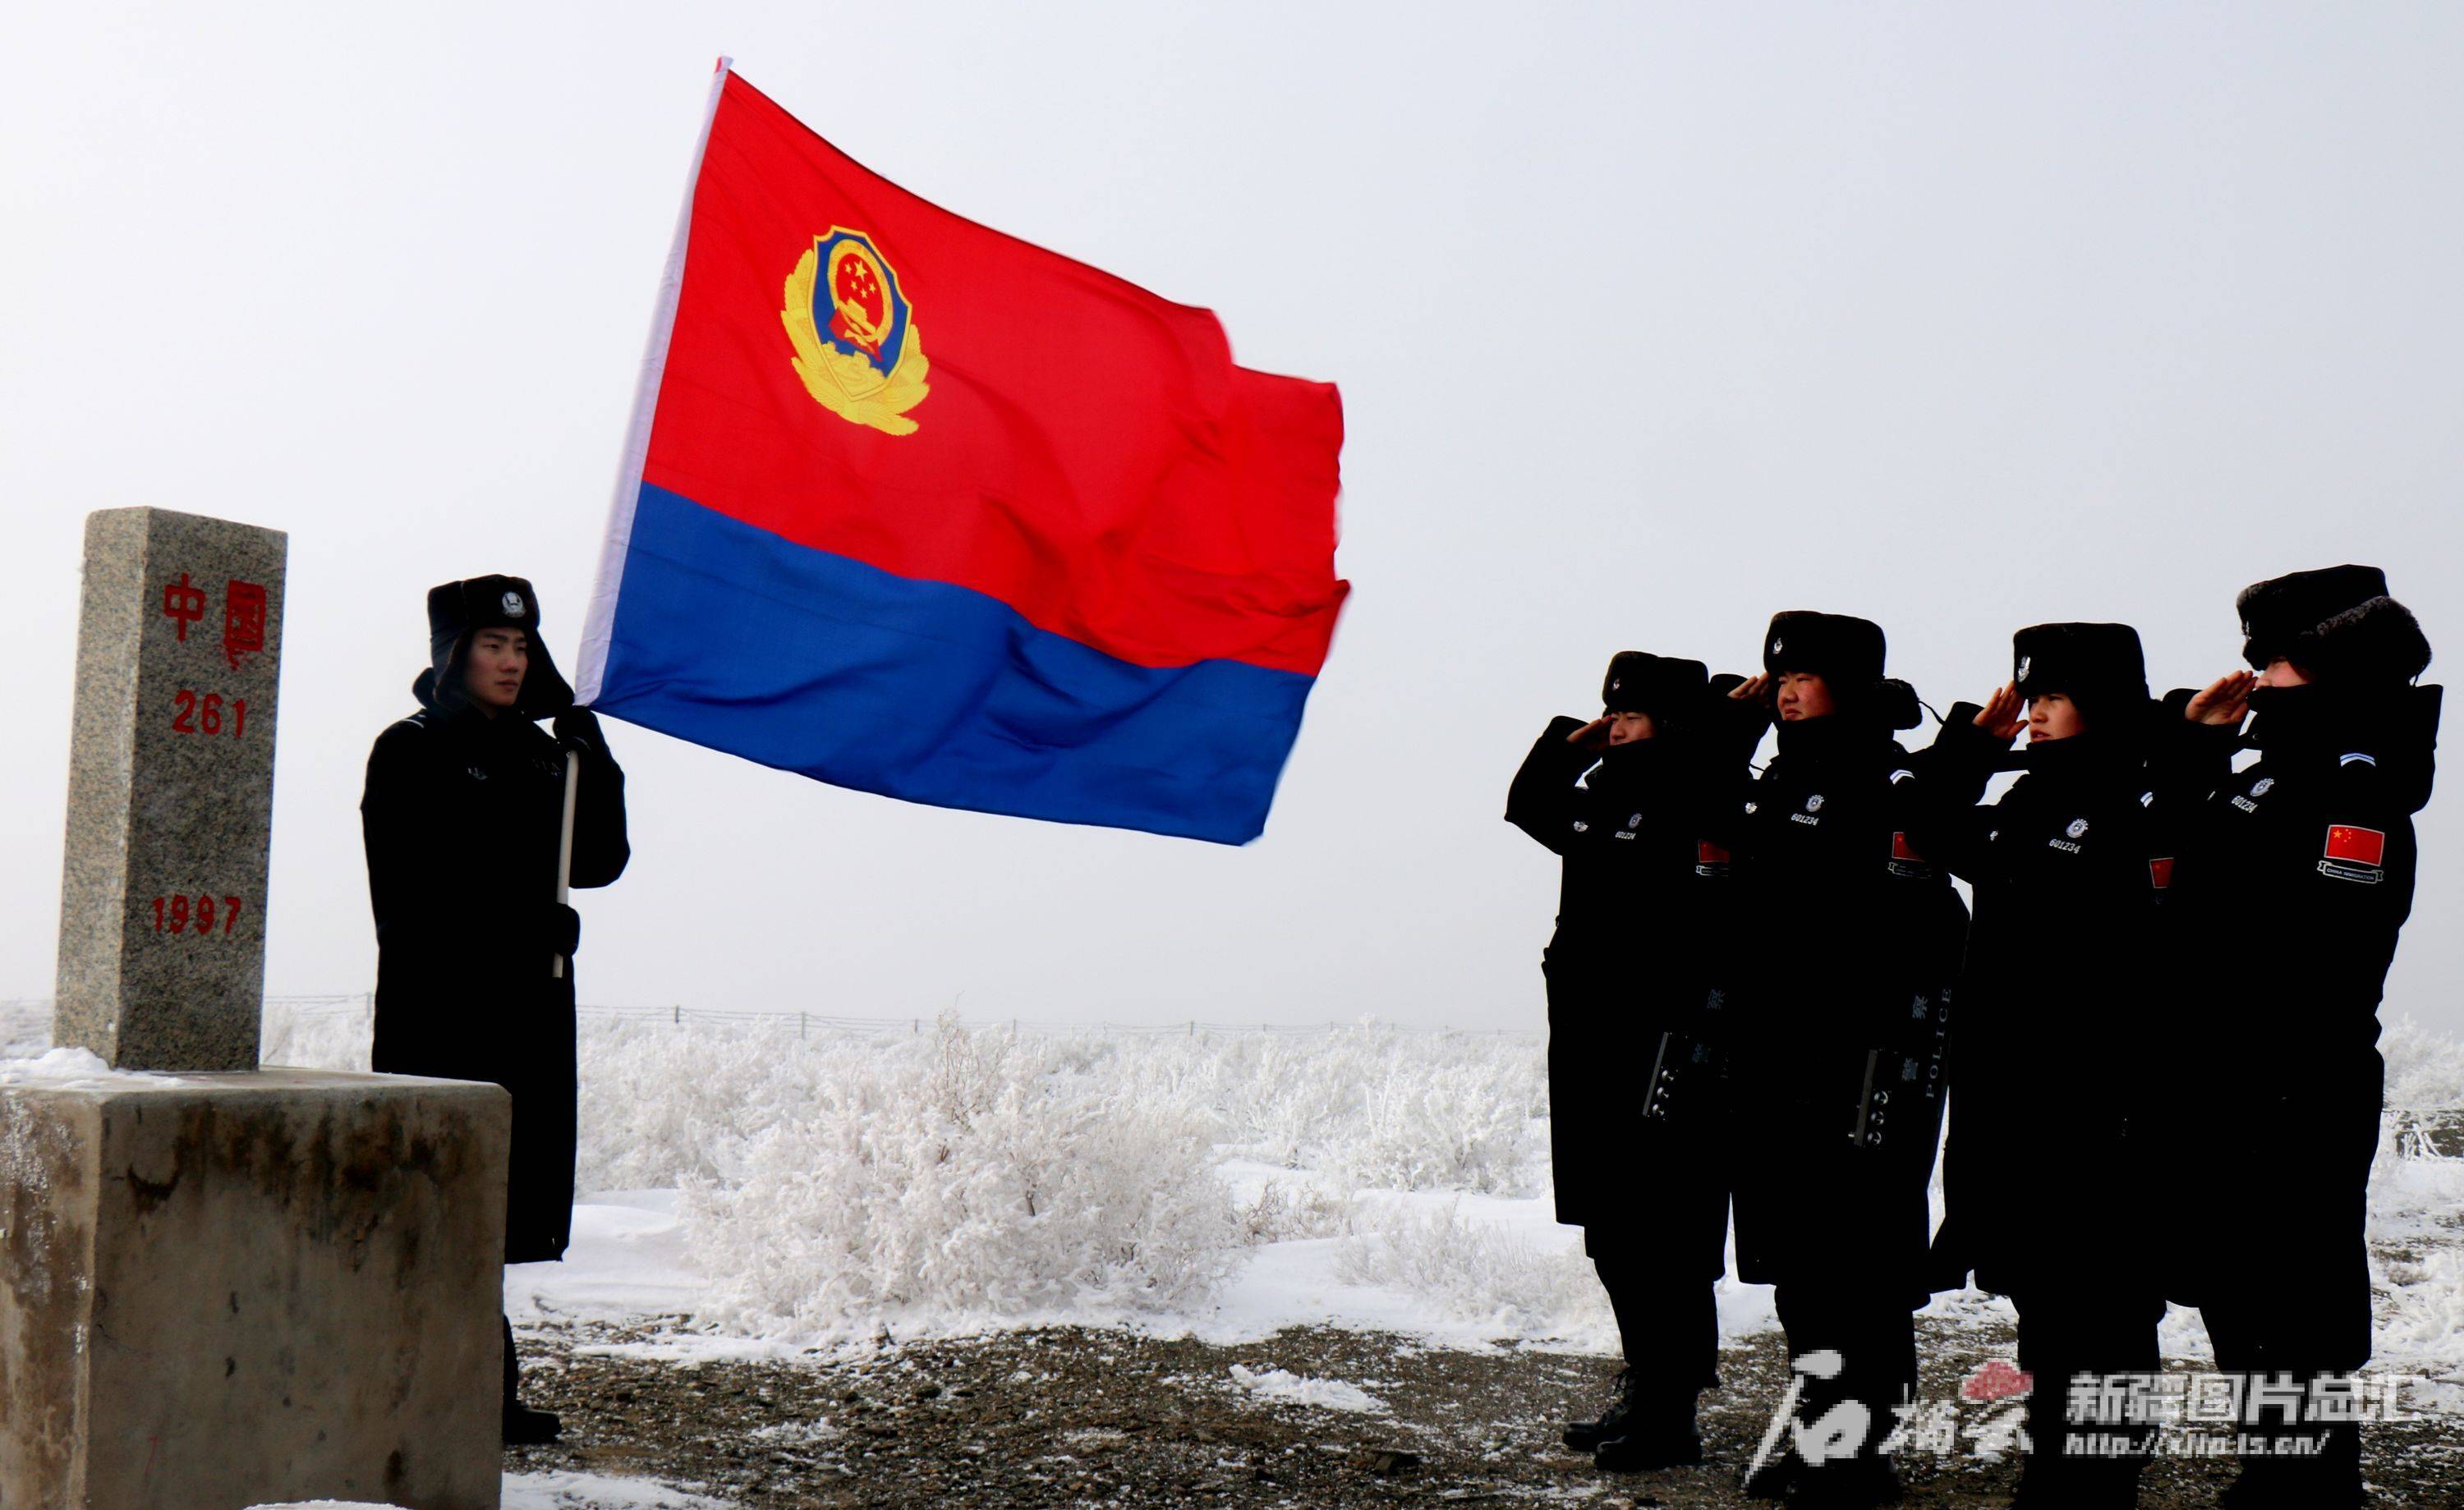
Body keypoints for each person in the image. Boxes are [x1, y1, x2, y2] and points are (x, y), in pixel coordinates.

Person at [2155, 566, 2436, 1509]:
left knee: (2298, 1299)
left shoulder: (2355, 793)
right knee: (2237, 1290)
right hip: (2229, 1077)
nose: (2257, 679)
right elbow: (2174, 870)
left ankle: (2314, 1485)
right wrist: (2199, 745)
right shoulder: (2265, 776)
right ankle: (2270, 1474)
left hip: (2295, 1084)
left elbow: (2319, 951)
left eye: (2275, 662)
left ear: (2327, 671)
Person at [360, 576, 631, 1445]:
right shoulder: (412, 750)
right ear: (454, 652)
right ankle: (439, 1393)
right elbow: (414, 896)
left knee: (501, 1206)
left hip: (530, 1014)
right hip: (444, 1015)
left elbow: (597, 860)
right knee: (442, 1205)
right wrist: (523, 924)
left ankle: (482, 1393)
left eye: (521, 647)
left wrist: (594, 759)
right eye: (493, 645)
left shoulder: (542, 756)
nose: (511, 662)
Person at [1907, 623, 2169, 1507]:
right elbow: (1931, 826)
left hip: (2097, 1098)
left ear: (2101, 703)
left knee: (2105, 1301)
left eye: (2053, 696)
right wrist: (1975, 744)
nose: (2037, 714)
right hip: (2015, 1093)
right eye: (2032, 697)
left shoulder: (2140, 798)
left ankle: (2104, 1476)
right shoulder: (2032, 798)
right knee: (2047, 1295)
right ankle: (2058, 1466)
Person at [1717, 611, 1965, 1508]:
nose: (1786, 692)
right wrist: (1734, 727)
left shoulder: (1887, 780)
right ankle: (1821, 1433)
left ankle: (1862, 1453)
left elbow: (1932, 923)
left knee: (1859, 1266)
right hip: (1777, 1057)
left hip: (1856, 1063)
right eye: (1778, 678)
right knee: (1803, 1270)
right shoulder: (1781, 778)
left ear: (1850, 684)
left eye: (1805, 677)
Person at [1506, 650, 1737, 1471]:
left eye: (1629, 716)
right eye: (1609, 714)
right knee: (1610, 1232)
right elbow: (1527, 803)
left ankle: (1673, 1409)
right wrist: (1568, 741)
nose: (1613, 728)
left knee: (1662, 1234)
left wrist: (1722, 728)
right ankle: (1645, 1386)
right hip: (1591, 1042)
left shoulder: (1698, 796)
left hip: (1662, 1043)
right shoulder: (1602, 800)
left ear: (1669, 724)